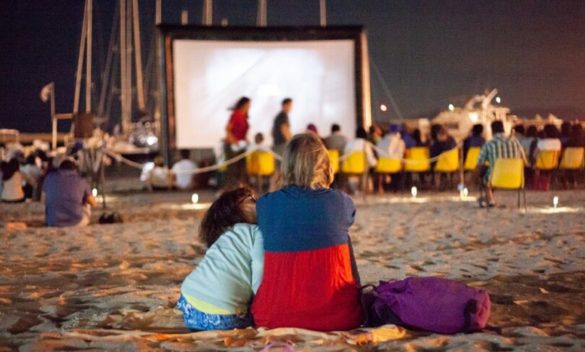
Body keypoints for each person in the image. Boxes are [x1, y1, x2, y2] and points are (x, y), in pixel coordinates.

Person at [251, 133, 363, 331]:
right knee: (342, 235)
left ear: (286, 166)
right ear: (325, 165)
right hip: (340, 317)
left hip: (274, 317)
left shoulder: (266, 204)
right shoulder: (341, 202)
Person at [177, 187, 263, 330]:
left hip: (187, 302)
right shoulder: (256, 232)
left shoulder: (227, 235)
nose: (258, 202)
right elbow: (260, 269)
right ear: (235, 212)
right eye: (251, 200)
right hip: (223, 316)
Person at [476, 121, 527, 207]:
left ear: (492, 130)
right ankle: (488, 197)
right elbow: (524, 161)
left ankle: (491, 200)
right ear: (503, 129)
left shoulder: (489, 144)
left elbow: (480, 162)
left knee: (486, 176)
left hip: (496, 178)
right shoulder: (515, 142)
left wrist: (475, 175)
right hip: (516, 178)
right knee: (491, 173)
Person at [43, 157, 96, 226]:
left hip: (53, 221)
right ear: (75, 169)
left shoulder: (49, 178)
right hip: (77, 221)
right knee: (87, 201)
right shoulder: (81, 181)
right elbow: (93, 203)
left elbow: (44, 199)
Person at [225, 97, 251, 186]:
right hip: (233, 146)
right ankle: (232, 188)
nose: (249, 107)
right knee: (233, 170)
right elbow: (228, 129)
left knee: (242, 169)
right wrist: (234, 140)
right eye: (248, 105)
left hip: (241, 146)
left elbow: (243, 132)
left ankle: (241, 186)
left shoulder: (244, 116)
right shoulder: (236, 115)